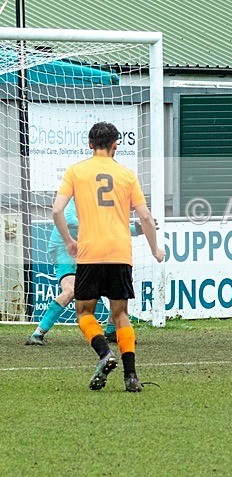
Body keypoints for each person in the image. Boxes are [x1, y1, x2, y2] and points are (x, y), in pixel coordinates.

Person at [53, 122, 164, 392]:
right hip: (119, 253)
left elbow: (56, 210)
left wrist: (69, 241)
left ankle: (104, 353)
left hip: (90, 252)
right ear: (116, 145)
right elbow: (145, 217)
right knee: (120, 314)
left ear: (90, 145)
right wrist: (155, 249)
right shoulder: (127, 175)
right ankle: (131, 376)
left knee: (84, 311)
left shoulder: (76, 171)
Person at [25, 199, 150, 345]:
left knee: (118, 285)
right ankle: (38, 333)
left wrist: (137, 229)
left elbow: (113, 227)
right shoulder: (79, 196)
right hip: (64, 247)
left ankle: (111, 331)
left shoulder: (105, 201)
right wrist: (97, 228)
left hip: (90, 248)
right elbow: (70, 220)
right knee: (71, 290)